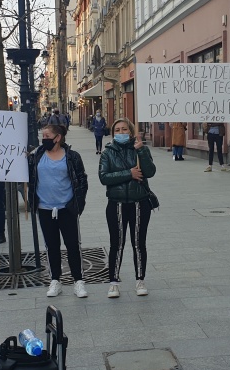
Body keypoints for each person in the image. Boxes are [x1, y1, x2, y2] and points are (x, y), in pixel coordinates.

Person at [30, 123, 89, 298]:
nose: (44, 139)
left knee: (73, 245)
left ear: (58, 138)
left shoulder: (72, 156)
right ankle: (55, 280)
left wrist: (77, 204)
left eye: (47, 136)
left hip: (66, 208)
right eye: (43, 136)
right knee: (52, 246)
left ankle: (78, 281)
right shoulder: (37, 155)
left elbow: (82, 180)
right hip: (45, 208)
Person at [99, 118, 156, 298]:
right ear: (113, 133)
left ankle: (140, 280)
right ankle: (113, 283)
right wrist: (129, 174)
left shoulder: (140, 149)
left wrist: (142, 152)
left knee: (139, 243)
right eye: (118, 130)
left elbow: (150, 172)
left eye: (125, 129)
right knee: (117, 244)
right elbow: (104, 177)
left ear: (131, 132)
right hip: (116, 204)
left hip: (140, 202)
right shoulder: (107, 152)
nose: (121, 132)